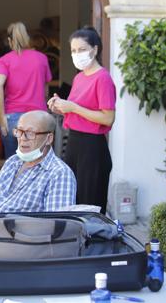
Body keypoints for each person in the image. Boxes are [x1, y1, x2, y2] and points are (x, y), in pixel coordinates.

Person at [0, 111, 76, 214]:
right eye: (19, 131)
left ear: (49, 139)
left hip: (17, 241)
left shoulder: (59, 174)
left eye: (30, 133)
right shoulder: (12, 162)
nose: (22, 138)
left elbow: (55, 228)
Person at [48, 26, 115, 214]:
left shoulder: (103, 78)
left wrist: (73, 107)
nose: (77, 54)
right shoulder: (79, 78)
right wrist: (60, 107)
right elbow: (78, 112)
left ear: (94, 50)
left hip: (92, 147)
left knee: (89, 203)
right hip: (74, 143)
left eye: (82, 50)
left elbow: (108, 118)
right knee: (72, 198)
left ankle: (93, 242)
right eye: (73, 51)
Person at [0, 22, 52, 159]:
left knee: (14, 164)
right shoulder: (41, 58)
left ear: (9, 41)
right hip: (38, 118)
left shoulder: (5, 60)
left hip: (13, 119)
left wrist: (1, 117)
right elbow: (45, 88)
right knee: (39, 165)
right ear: (27, 38)